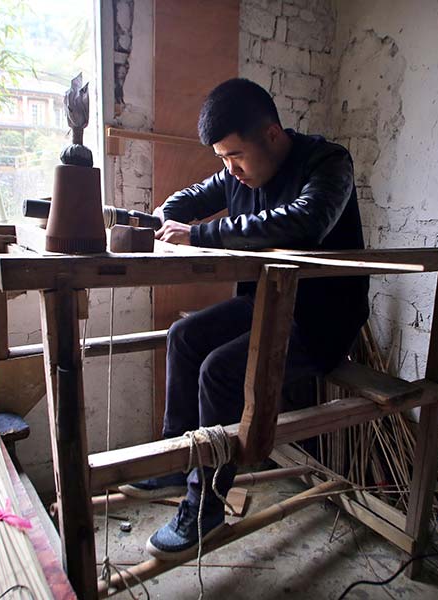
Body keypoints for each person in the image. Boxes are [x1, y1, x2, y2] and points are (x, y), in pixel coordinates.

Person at [117, 78, 370, 561]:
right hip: (266, 304)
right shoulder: (236, 173)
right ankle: (176, 462)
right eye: (222, 160)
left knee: (221, 370)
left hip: (321, 321)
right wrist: (165, 219)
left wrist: (200, 234)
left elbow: (305, 222)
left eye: (235, 156)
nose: (230, 170)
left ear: (272, 135)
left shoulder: (328, 162)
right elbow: (186, 201)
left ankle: (205, 506)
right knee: (184, 335)